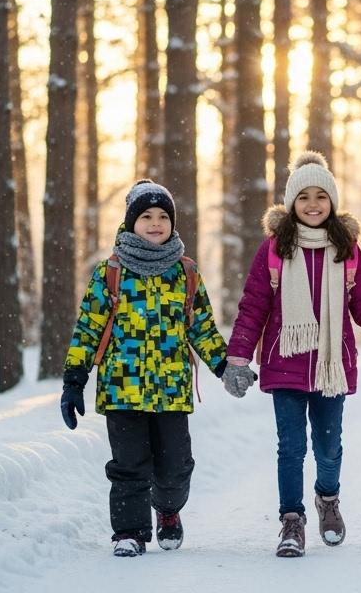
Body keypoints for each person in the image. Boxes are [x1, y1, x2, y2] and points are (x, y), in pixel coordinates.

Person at [221, 152, 361, 558]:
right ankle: (291, 521)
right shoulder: (274, 250)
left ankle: (327, 499)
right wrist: (238, 358)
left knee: (329, 448)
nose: (312, 204)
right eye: (303, 197)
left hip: (332, 367)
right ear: (291, 203)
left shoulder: (346, 250)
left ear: (332, 201)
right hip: (284, 363)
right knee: (291, 447)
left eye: (320, 196)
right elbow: (253, 307)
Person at [60, 179, 229, 557]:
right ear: (131, 223)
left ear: (172, 223)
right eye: (146, 216)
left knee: (175, 467)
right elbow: (88, 328)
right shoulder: (111, 272)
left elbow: (201, 326)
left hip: (171, 391)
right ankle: (129, 533)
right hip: (122, 389)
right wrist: (74, 380)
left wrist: (224, 365)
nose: (155, 223)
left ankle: (168, 510)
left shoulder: (185, 273)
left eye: (163, 217)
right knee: (129, 466)